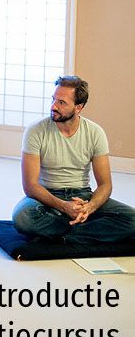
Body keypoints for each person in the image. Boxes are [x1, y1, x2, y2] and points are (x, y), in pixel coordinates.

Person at [12, 75, 135, 244]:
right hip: (46, 197)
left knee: (132, 219)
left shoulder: (95, 132)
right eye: (53, 99)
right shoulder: (35, 131)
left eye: (61, 102)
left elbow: (105, 185)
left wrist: (89, 207)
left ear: (78, 107)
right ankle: (82, 231)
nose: (53, 106)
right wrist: (63, 206)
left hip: (82, 196)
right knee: (23, 217)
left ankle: (62, 234)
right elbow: (30, 186)